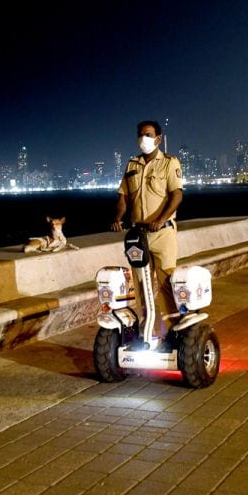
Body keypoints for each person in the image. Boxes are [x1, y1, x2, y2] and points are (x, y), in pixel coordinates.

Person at [111, 120, 184, 343]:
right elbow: (124, 196)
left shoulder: (169, 163)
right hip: (138, 235)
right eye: (141, 134)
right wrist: (118, 218)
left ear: (158, 139)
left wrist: (161, 219)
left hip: (163, 233)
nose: (144, 138)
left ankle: (174, 331)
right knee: (141, 284)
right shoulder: (132, 164)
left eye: (149, 134)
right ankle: (148, 331)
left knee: (166, 282)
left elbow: (177, 195)